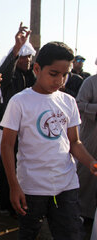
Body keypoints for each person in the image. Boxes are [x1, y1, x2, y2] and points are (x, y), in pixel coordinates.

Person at [1, 41, 97, 239]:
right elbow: (7, 145)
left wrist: (91, 162)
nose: (59, 81)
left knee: (71, 233)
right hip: (31, 187)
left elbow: (74, 143)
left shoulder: (68, 101)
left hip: (66, 185)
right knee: (29, 233)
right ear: (37, 69)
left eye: (65, 75)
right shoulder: (19, 101)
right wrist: (14, 185)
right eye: (54, 74)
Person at [0, 23, 36, 215]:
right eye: (24, 56)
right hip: (11, 129)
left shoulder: (32, 78)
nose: (27, 60)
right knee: (9, 165)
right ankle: (6, 202)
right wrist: (17, 48)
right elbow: (3, 73)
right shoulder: (11, 76)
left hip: (28, 131)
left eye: (30, 57)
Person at [76, 74, 97, 222]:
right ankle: (80, 213)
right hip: (91, 139)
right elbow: (79, 104)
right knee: (86, 175)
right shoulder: (90, 82)